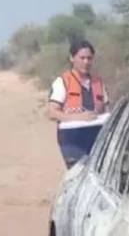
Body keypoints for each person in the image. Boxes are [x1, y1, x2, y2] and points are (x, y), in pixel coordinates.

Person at [47, 39, 110, 168]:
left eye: (89, 58)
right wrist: (79, 117)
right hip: (72, 141)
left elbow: (106, 109)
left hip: (97, 140)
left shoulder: (98, 82)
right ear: (72, 58)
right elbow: (51, 112)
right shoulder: (63, 82)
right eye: (82, 58)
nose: (86, 62)